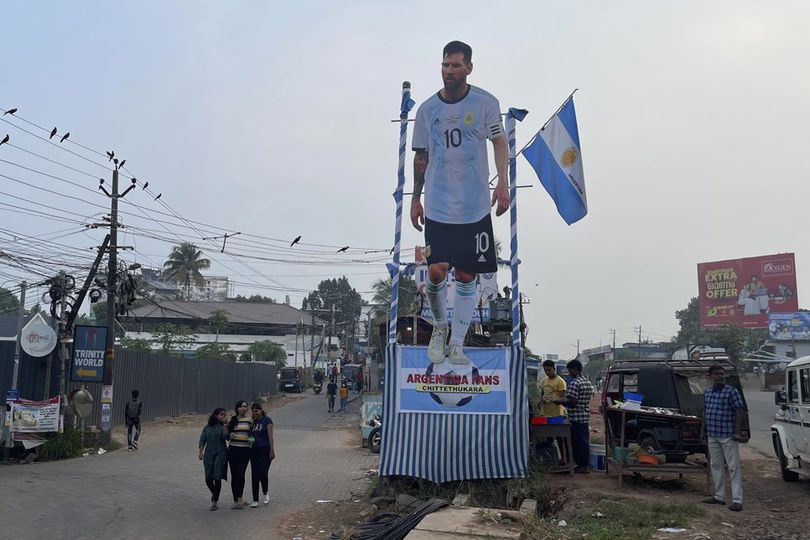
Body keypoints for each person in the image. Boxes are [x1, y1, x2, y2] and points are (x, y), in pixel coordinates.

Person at [410, 40, 508, 366]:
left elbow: (498, 142)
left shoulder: (485, 103)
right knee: (436, 271)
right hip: (438, 207)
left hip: (475, 207)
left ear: (468, 67)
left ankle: (457, 342)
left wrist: (503, 183)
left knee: (467, 275)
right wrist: (415, 199)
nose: (448, 71)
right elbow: (421, 158)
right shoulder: (426, 111)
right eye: (444, 65)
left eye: (455, 65)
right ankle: (439, 327)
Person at [701, 364, 748, 512]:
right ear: (710, 376)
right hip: (712, 434)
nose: (720, 376)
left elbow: (740, 411)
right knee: (716, 465)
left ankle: (737, 500)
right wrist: (703, 430)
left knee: (733, 467)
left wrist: (737, 431)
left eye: (722, 374)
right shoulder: (707, 393)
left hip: (728, 435)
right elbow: (705, 412)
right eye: (717, 374)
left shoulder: (731, 392)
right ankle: (719, 496)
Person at [554, 360, 593, 473]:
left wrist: (560, 401)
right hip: (584, 416)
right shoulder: (587, 382)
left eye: (570, 370)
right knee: (584, 441)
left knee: (577, 442)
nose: (570, 373)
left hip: (576, 417)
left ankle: (582, 465)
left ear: (576, 369)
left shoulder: (575, 383)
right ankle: (584, 464)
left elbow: (573, 401)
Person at [199, 408, 228, 511]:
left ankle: (215, 501)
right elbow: (202, 440)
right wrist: (200, 452)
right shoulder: (207, 428)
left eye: (225, 415)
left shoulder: (223, 427)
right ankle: (214, 492)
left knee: (217, 476)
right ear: (215, 416)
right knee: (208, 478)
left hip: (221, 453)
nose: (223, 416)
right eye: (221, 415)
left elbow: (226, 437)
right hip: (209, 454)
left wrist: (225, 425)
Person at [226, 400, 252, 509]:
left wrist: (251, 441)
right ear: (237, 408)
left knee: (241, 474)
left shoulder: (250, 420)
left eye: (245, 406)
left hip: (245, 451)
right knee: (234, 475)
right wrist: (229, 433)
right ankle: (235, 500)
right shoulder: (232, 420)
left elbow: (252, 435)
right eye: (241, 406)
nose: (243, 408)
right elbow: (226, 436)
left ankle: (240, 498)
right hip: (233, 450)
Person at [249, 403, 275, 508]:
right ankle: (255, 499)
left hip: (265, 450)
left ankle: (265, 492)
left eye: (257, 411)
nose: (255, 413)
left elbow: (270, 436)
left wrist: (272, 450)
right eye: (253, 411)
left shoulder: (267, 420)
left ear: (261, 410)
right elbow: (249, 436)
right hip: (253, 451)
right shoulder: (252, 423)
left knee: (263, 473)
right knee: (254, 475)